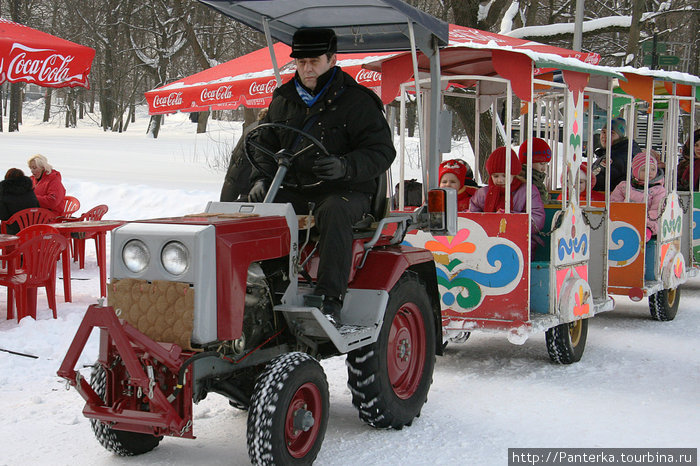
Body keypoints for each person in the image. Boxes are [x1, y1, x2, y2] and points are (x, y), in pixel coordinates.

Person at [247, 28, 396, 322]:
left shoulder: (358, 101)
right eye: (301, 63)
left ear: (331, 59)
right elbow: (265, 145)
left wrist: (344, 166)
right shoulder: (284, 99)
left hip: (346, 190)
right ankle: (260, 288)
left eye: (314, 61)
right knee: (253, 207)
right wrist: (259, 179)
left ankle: (330, 299)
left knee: (334, 209)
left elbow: (381, 151)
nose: (307, 69)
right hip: (296, 187)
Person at [469, 147, 545, 250]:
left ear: (514, 174)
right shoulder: (483, 193)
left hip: (522, 241)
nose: (500, 180)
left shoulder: (527, 191)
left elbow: (537, 219)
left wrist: (511, 219)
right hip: (487, 240)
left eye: (504, 176)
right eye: (495, 176)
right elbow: (472, 215)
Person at [610, 152, 666, 241]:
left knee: (645, 232)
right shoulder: (624, 186)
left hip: (647, 222)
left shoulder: (658, 190)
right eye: (644, 170)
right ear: (636, 171)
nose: (649, 173)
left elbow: (656, 210)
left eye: (653, 169)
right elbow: (614, 204)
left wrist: (643, 220)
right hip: (625, 219)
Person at [220, 109, 268, 202]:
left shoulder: (251, 127)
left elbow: (235, 154)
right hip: (250, 172)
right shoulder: (266, 129)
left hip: (238, 171)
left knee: (228, 205)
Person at [590, 117, 642, 191]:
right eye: (604, 132)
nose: (605, 136)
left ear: (620, 136)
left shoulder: (617, 157)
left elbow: (597, 181)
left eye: (611, 133)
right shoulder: (624, 150)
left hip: (611, 199)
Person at [0, 168, 40, 235]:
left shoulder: (4, 193)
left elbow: (3, 216)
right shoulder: (30, 191)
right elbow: (37, 207)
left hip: (13, 232)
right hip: (32, 230)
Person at [518, 137, 552, 203]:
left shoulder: (531, 178)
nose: (544, 168)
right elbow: (542, 204)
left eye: (546, 164)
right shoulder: (532, 181)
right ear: (529, 161)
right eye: (541, 163)